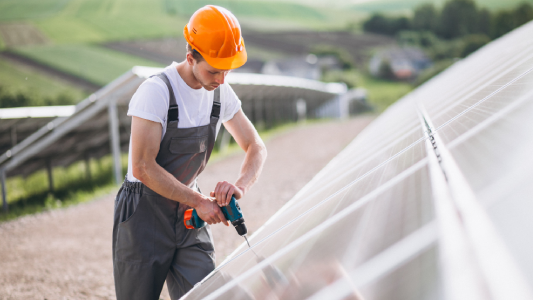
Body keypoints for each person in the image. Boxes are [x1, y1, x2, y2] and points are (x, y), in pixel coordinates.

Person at [112, 5, 267, 300]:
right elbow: (143, 166)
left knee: (210, 294)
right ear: (191, 57)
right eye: (213, 70)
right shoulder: (156, 92)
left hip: (186, 214)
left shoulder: (220, 92)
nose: (221, 80)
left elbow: (256, 146)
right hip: (144, 215)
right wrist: (198, 201)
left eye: (226, 71)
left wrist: (240, 186)